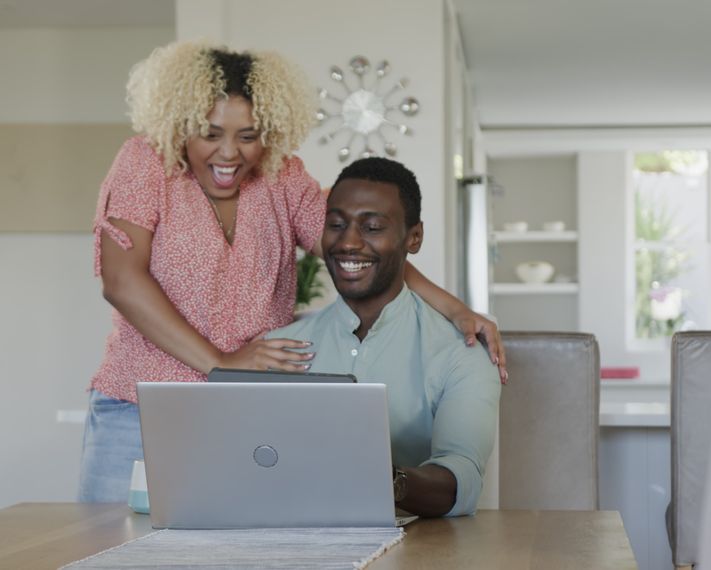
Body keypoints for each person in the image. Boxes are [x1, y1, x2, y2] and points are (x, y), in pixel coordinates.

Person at [79, 41, 504, 502]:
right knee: (112, 548)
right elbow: (122, 282)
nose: (229, 154)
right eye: (210, 133)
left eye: (248, 135)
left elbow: (356, 248)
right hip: (140, 410)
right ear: (179, 125)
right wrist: (222, 365)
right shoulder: (146, 163)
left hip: (246, 414)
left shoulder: (281, 176)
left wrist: (456, 309)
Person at [268, 157, 501, 517]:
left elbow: (462, 478)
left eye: (372, 227)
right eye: (336, 225)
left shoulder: (462, 353)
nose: (348, 243)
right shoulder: (276, 350)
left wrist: (382, 477)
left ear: (414, 237)